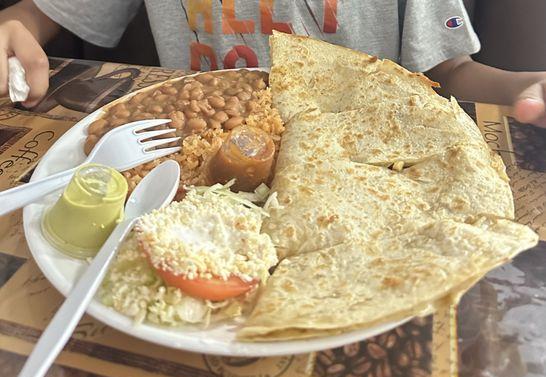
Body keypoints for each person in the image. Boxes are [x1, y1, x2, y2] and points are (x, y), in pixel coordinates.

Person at [0, 0, 545, 127]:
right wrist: (14, 31)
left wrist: (528, 87)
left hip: (362, 166)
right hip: (198, 162)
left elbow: (449, 72)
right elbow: (34, 15)